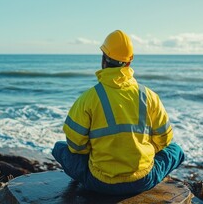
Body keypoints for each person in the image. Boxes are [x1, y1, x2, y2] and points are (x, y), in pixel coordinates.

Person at [52, 30, 185, 196]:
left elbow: (76, 146)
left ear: (104, 58)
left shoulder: (88, 98)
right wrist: (140, 150)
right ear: (129, 62)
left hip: (99, 182)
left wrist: (99, 153)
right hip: (142, 180)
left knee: (59, 148)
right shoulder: (149, 96)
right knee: (176, 150)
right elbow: (164, 139)